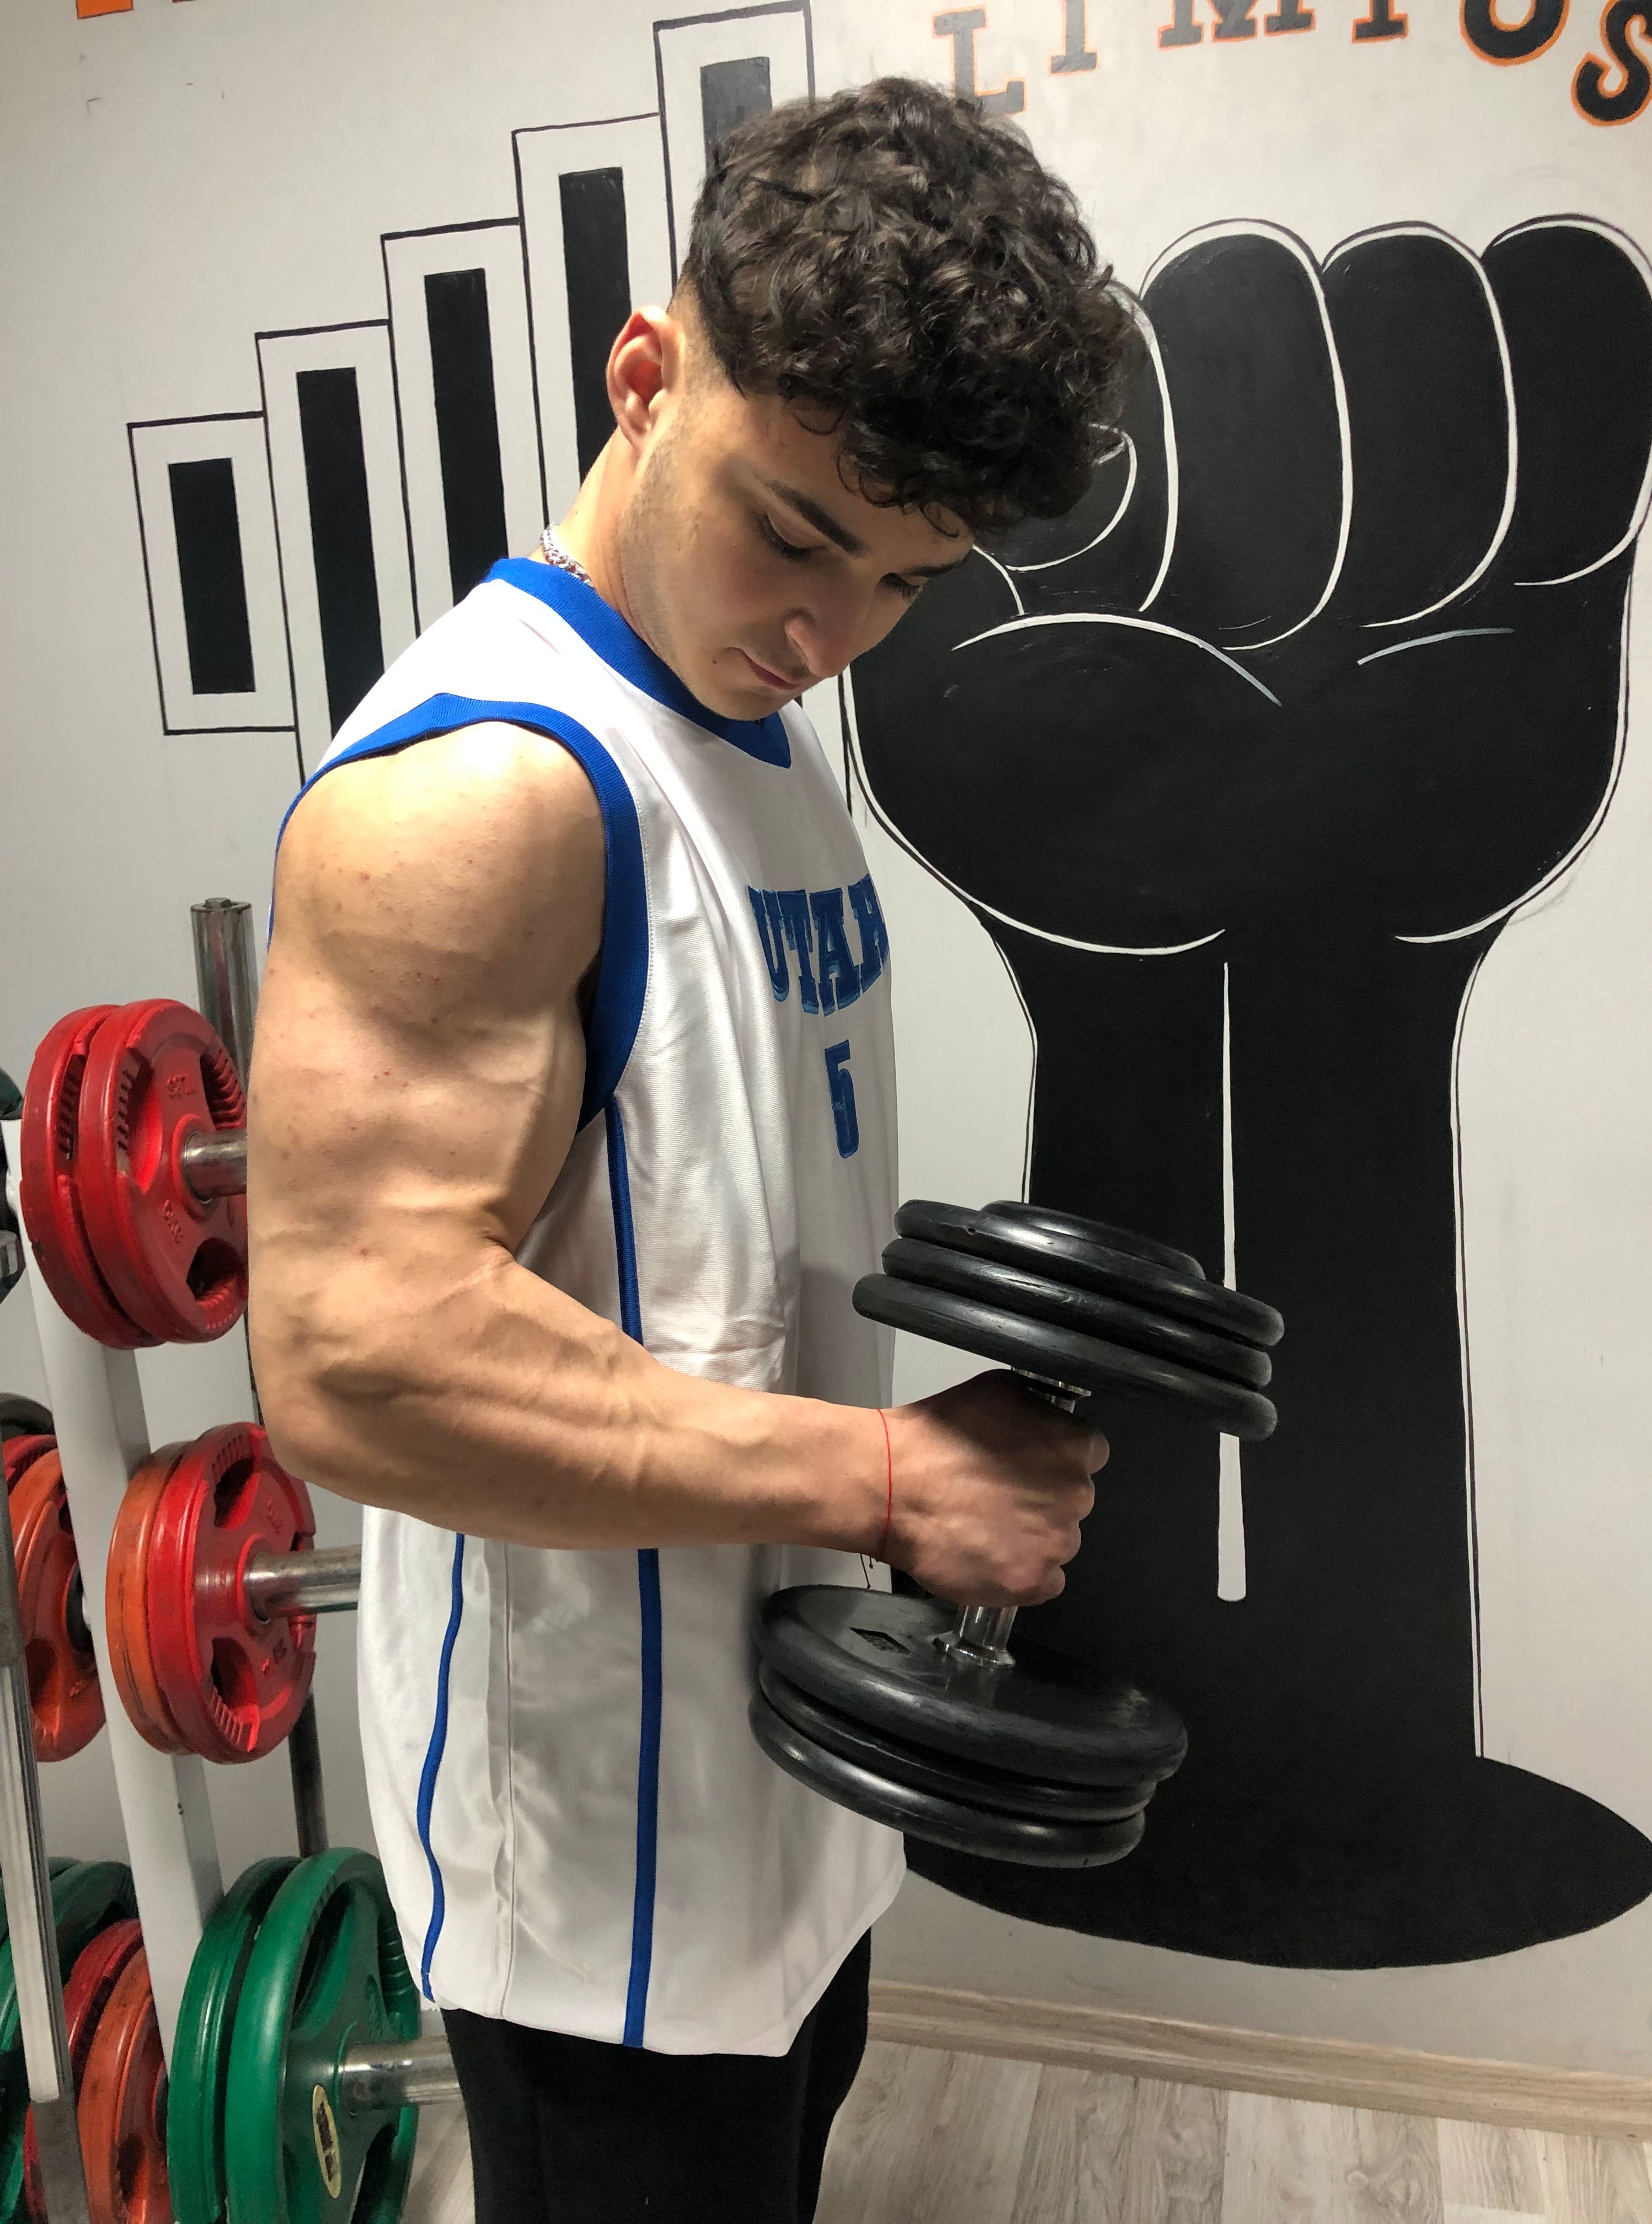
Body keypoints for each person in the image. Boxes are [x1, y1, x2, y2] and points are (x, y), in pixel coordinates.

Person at [248, 76, 1130, 2224]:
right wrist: (891, 1480)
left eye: (905, 582)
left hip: (777, 1795)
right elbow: (357, 1362)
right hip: (601, 1881)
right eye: (796, 534)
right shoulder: (484, 794)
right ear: (643, 375)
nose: (833, 628)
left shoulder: (761, 734)